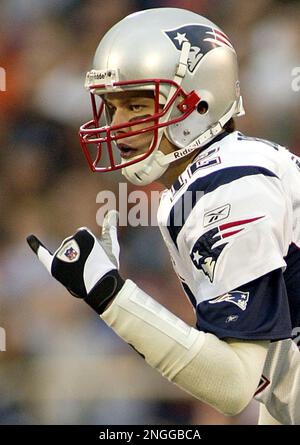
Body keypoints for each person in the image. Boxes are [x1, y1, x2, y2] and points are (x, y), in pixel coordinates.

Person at [27, 8, 300, 424]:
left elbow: (233, 385)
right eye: (112, 107)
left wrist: (109, 295)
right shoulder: (216, 176)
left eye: (137, 105)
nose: (118, 126)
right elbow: (279, 383)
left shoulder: (229, 186)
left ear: (200, 104)